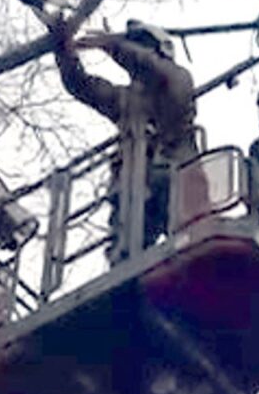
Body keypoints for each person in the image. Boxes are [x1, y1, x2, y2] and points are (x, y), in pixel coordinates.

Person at [54, 18, 200, 262]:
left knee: (189, 245)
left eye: (139, 46)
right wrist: (63, 48)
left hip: (176, 179)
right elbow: (80, 85)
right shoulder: (126, 100)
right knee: (124, 256)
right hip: (133, 188)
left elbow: (164, 76)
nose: (134, 53)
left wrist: (113, 45)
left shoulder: (177, 80)